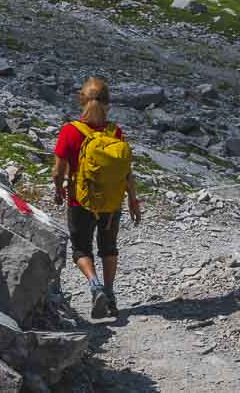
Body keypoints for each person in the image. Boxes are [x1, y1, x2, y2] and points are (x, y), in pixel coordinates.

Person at [53, 76, 141, 319]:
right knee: (108, 246)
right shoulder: (115, 131)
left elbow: (58, 170)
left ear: (81, 100)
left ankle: (95, 286)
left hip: (80, 200)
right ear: (108, 102)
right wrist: (133, 200)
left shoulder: (70, 131)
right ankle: (110, 293)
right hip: (112, 201)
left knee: (81, 248)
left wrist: (59, 188)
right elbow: (127, 172)